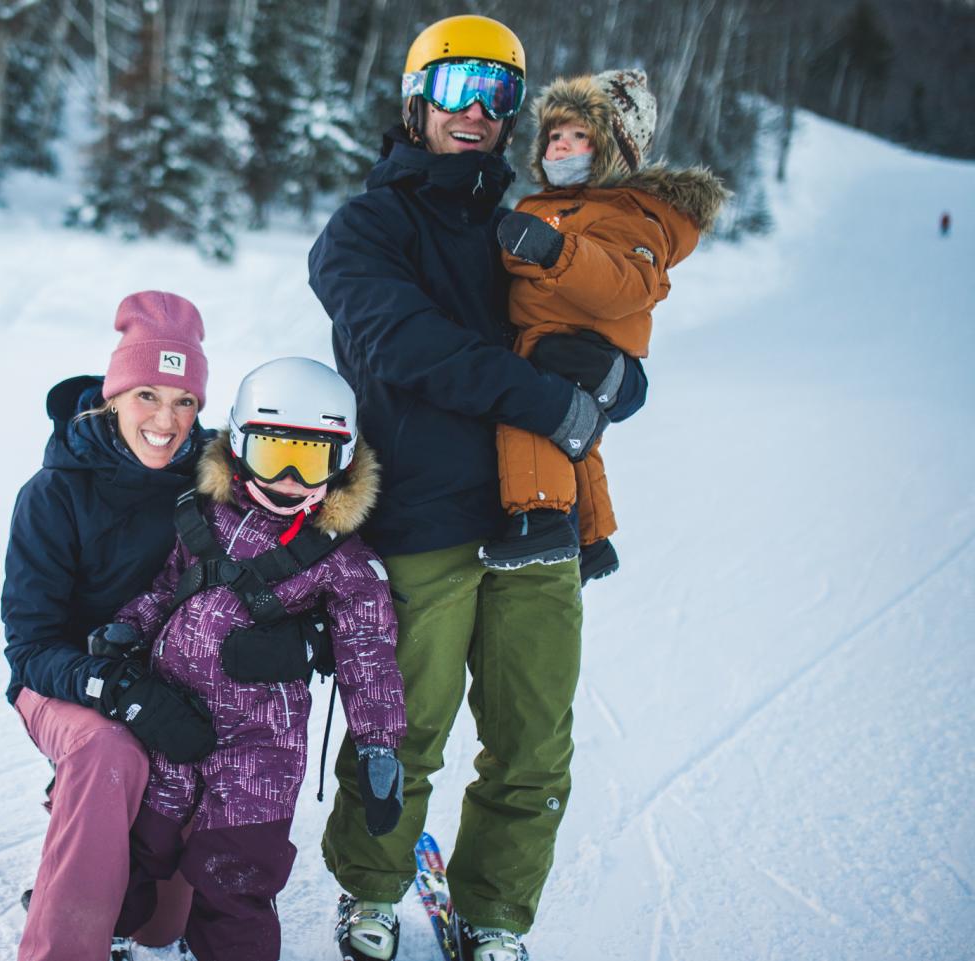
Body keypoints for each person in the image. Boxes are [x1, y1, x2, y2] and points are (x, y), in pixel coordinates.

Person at [306, 15, 648, 961]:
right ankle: (370, 890)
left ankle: (496, 909)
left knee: (533, 741)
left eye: (499, 95)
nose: (478, 112)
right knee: (402, 727)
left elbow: (603, 309)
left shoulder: (532, 227)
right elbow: (404, 345)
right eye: (457, 89)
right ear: (417, 102)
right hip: (420, 515)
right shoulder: (366, 229)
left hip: (538, 513)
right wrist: (547, 398)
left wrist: (620, 378)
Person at [103, 358, 407, 961]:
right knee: (139, 843)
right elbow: (167, 589)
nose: (291, 479)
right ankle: (108, 930)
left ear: (343, 463)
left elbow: (367, 651)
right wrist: (126, 629)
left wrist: (378, 742)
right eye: (274, 456)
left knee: (238, 869)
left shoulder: (342, 558)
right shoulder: (203, 517)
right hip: (169, 717)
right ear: (239, 447)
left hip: (260, 747)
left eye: (313, 459)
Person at [0, 290, 217, 961]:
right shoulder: (55, 491)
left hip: (171, 688)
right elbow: (30, 645)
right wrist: (112, 689)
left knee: (159, 928)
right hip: (64, 688)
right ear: (114, 396)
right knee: (108, 751)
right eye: (148, 394)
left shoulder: (212, 485)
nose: (166, 418)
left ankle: (103, 854)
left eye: (185, 401)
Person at [476, 68, 728, 575]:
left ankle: (540, 516)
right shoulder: (544, 204)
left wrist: (556, 252)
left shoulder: (632, 214)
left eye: (580, 136)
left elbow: (626, 285)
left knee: (530, 414)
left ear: (616, 149)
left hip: (578, 341)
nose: (563, 147)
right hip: (546, 332)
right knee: (575, 438)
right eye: (554, 136)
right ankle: (592, 539)